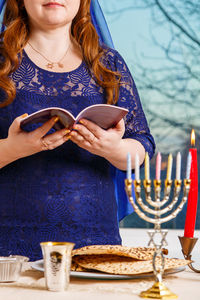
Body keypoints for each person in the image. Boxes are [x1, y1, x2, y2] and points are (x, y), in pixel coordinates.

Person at [0, 0, 155, 261]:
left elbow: (143, 145)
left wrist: (114, 149)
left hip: (96, 248)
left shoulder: (108, 64)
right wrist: (11, 150)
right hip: (8, 252)